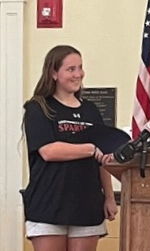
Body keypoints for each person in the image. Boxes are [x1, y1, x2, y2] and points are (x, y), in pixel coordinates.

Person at [21, 45, 118, 251]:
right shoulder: (38, 107)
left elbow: (102, 162)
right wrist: (90, 149)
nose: (78, 74)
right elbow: (48, 151)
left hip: (87, 204)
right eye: (71, 69)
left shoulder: (91, 110)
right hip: (49, 204)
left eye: (80, 68)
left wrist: (109, 197)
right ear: (54, 73)